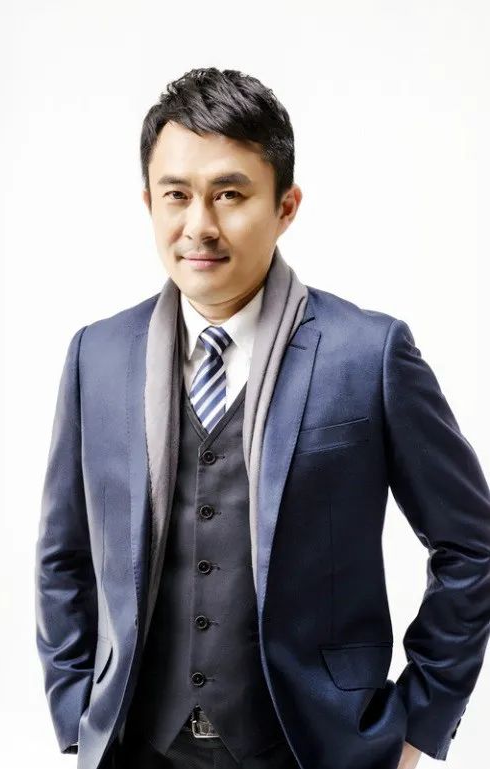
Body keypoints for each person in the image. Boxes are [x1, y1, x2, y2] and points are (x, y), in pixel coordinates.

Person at [35, 67, 490, 769]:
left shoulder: (367, 354)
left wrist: (415, 724)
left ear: (285, 206)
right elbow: (62, 556)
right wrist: (76, 713)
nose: (199, 225)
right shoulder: (96, 355)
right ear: (148, 202)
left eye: (229, 194)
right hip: (136, 748)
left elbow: (472, 546)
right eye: (176, 195)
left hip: (312, 749)